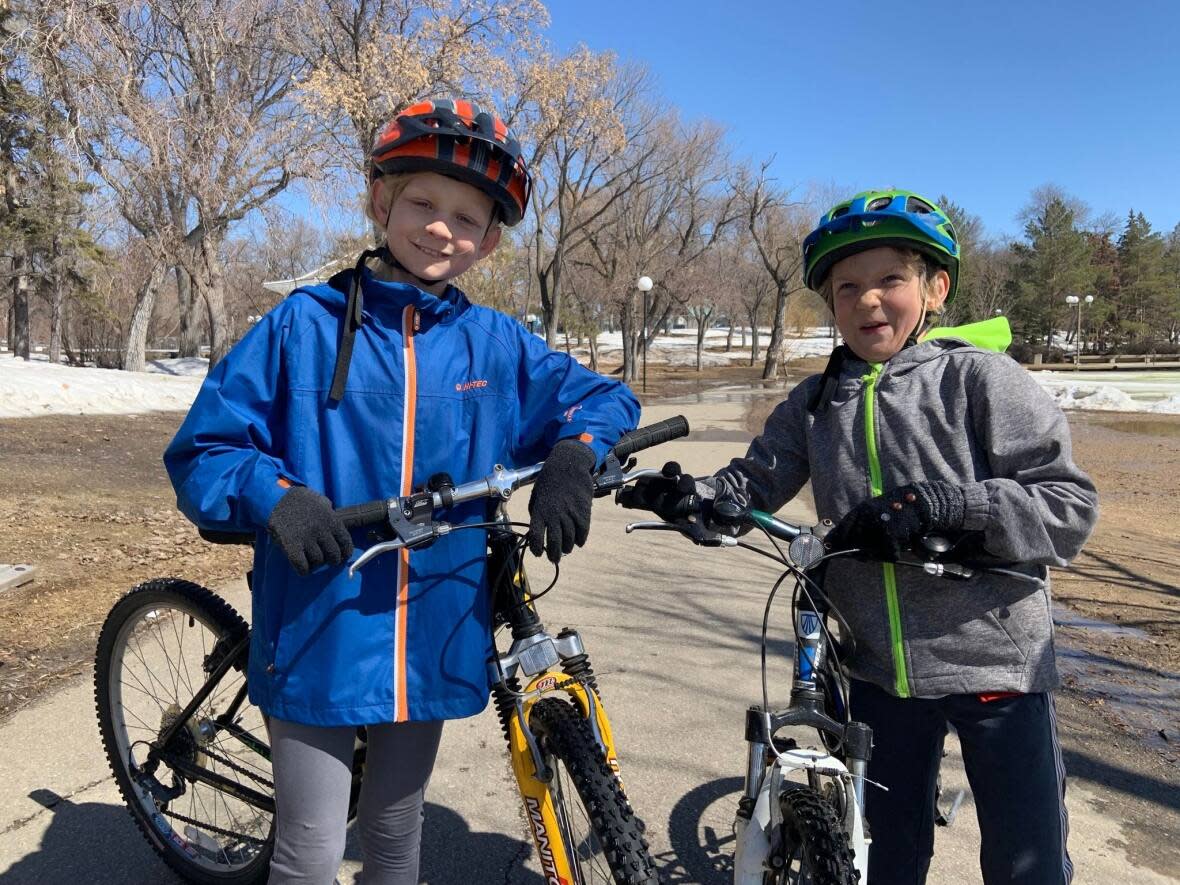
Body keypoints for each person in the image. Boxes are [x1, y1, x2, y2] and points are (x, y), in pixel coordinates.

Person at [164, 98, 640, 885]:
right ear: (380, 201)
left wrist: (573, 454)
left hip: (434, 626)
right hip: (322, 624)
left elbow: (600, 397)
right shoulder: (300, 327)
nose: (439, 228)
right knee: (310, 852)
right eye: (421, 201)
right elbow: (207, 447)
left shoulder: (495, 343)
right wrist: (274, 495)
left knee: (393, 837)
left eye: (465, 217)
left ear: (488, 240)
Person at [622, 190, 1096, 885]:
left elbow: (1066, 504)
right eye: (848, 287)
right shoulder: (816, 403)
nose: (868, 300)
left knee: (1026, 861)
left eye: (889, 281)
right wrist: (692, 498)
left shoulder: (978, 379)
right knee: (884, 856)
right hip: (876, 669)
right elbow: (750, 484)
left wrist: (946, 504)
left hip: (997, 660)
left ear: (934, 289)